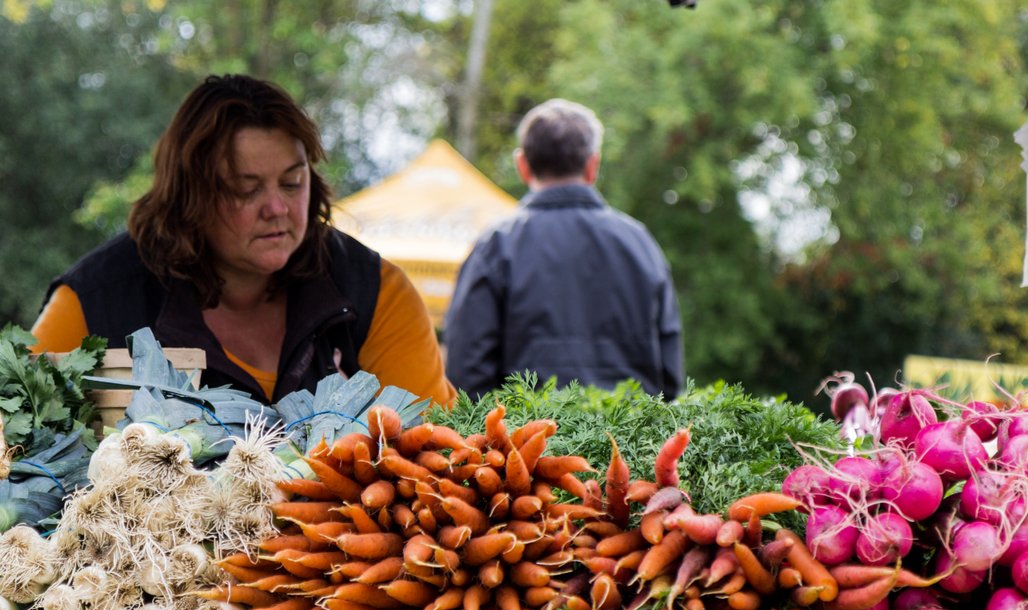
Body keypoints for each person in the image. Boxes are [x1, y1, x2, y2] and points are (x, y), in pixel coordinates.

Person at [32, 74, 455, 408]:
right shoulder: (96, 302)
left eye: (292, 183)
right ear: (188, 196)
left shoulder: (375, 291)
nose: (277, 208)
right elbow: (14, 435)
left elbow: (434, 458)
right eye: (245, 189)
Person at [442, 98, 685, 400]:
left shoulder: (496, 246)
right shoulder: (640, 243)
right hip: (635, 442)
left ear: (523, 165)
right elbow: (671, 374)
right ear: (592, 164)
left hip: (528, 442)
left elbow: (465, 370)